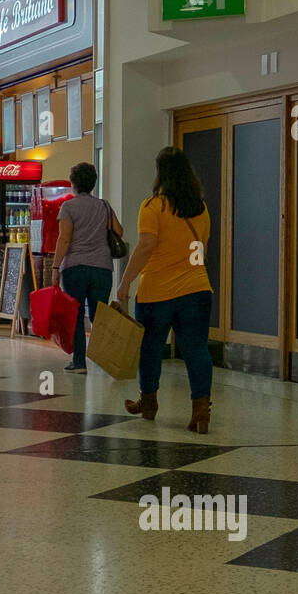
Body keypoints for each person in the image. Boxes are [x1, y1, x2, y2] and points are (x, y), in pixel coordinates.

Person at [116, 146, 214, 434]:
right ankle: (200, 412)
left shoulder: (153, 207)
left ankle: (148, 402)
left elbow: (146, 246)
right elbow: (200, 248)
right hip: (197, 289)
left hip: (157, 292)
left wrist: (125, 283)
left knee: (150, 349)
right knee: (196, 349)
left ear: (160, 173)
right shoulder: (201, 207)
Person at [52, 162, 123, 374]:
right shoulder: (104, 206)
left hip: (75, 268)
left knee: (75, 314)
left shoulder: (68, 207)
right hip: (102, 268)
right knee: (99, 315)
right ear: (93, 183)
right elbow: (119, 231)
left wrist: (55, 267)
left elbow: (64, 239)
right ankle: (108, 359)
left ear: (73, 183)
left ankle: (79, 362)